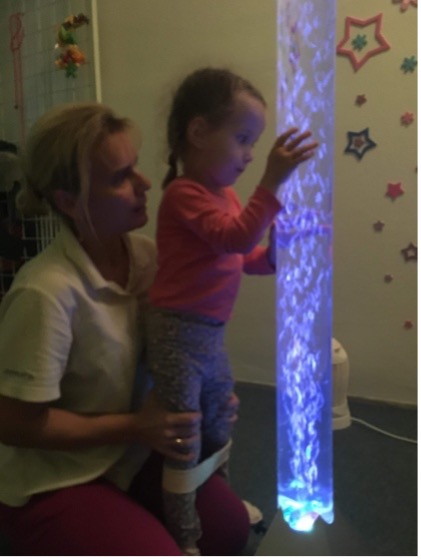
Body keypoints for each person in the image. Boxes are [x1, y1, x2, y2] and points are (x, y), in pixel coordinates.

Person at [0, 102, 250, 556]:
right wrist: (137, 426)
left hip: (131, 454)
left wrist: (210, 392)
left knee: (229, 529)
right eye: (121, 177)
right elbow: (15, 424)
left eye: (135, 166)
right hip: (56, 476)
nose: (146, 183)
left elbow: (182, 343)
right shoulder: (45, 293)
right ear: (69, 202)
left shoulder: (149, 257)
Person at [146, 67, 319, 555]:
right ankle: (185, 534)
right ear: (199, 132)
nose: (249, 154)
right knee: (184, 434)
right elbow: (235, 238)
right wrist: (272, 181)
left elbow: (243, 257)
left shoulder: (223, 195)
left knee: (222, 417)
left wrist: (278, 251)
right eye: (243, 140)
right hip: (177, 333)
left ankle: (216, 499)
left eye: (254, 143)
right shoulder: (184, 194)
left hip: (207, 334)